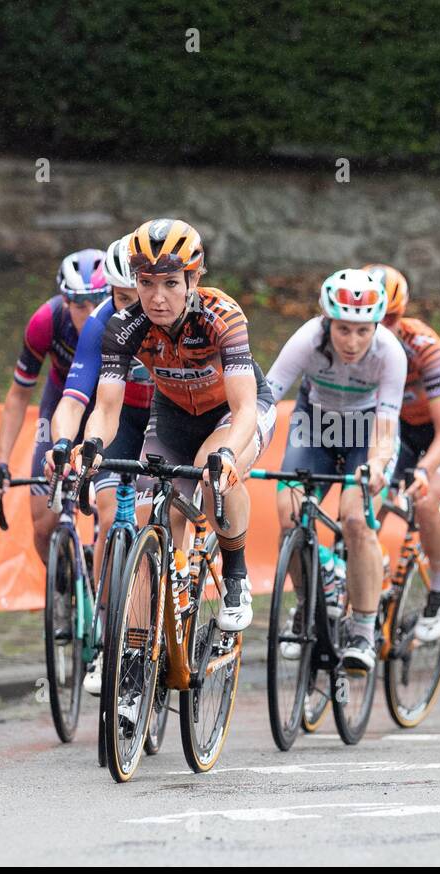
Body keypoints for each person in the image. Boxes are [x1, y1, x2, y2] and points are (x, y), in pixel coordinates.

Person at [81, 219, 277, 641]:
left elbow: (244, 408)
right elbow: (107, 408)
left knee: (214, 476)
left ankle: (236, 579)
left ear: (193, 278)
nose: (157, 297)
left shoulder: (221, 315)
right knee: (156, 523)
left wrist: (226, 456)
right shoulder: (125, 328)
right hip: (173, 416)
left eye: (171, 283)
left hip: (234, 412)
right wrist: (91, 445)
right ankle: (134, 663)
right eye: (146, 282)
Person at [265, 268, 405, 672]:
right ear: (329, 322)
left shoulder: (390, 352)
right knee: (289, 513)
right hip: (316, 426)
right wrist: (239, 445)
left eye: (363, 331)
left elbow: (386, 423)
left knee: (356, 518)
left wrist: (377, 466)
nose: (352, 341)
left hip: (366, 432)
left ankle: (362, 627)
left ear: (376, 325)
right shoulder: (308, 338)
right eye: (343, 329)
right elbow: (266, 396)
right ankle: (308, 604)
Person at [365, 263, 440, 642]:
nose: (384, 329)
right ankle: (369, 566)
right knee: (369, 493)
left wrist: (425, 470)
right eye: (374, 320)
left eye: (393, 318)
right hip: (404, 429)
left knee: (426, 502)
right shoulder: (356, 344)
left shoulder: (423, 348)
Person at [0, 249, 107, 562]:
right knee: (42, 524)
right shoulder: (45, 322)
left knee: (109, 509)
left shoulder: (123, 323)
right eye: (81, 305)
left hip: (108, 404)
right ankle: (65, 597)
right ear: (65, 302)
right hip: (60, 399)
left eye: (99, 301)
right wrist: (1, 463)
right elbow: (18, 394)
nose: (91, 312)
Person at [45, 236, 154, 590]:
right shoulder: (100, 321)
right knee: (108, 517)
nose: (131, 309)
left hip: (164, 420)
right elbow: (74, 400)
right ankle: (105, 627)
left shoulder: (166, 314)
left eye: (136, 296)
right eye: (120, 298)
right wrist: (62, 442)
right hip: (122, 419)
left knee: (151, 517)